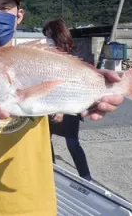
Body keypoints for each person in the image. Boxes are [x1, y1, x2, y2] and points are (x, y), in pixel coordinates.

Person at [0, 0, 125, 216]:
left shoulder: (39, 56)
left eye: (5, 8)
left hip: (35, 205)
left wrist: (93, 91)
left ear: (19, 16)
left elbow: (61, 97)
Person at [43, 18, 92, 181]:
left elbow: (72, 85)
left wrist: (62, 110)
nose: (46, 40)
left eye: (48, 36)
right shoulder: (49, 56)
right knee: (45, 139)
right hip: (49, 105)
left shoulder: (72, 56)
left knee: (72, 142)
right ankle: (51, 171)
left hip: (68, 105)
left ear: (57, 35)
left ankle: (86, 178)